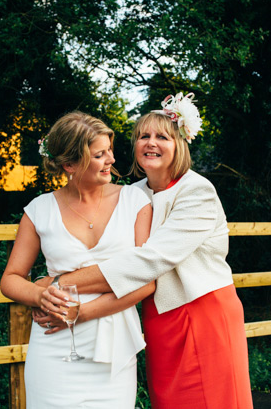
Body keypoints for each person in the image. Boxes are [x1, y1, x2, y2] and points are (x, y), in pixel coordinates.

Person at [41, 94, 253, 408]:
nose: (151, 143)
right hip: (157, 315)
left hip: (203, 311)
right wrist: (46, 281)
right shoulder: (132, 194)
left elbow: (150, 259)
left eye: (162, 136)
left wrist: (61, 284)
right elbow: (102, 245)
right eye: (143, 136)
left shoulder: (197, 191)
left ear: (179, 144)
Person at [0, 111, 154, 408]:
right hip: (53, 349)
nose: (110, 159)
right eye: (99, 154)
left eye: (109, 150)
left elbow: (146, 282)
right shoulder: (39, 209)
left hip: (113, 352)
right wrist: (40, 294)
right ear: (70, 165)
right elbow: (10, 278)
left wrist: (81, 312)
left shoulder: (135, 202)